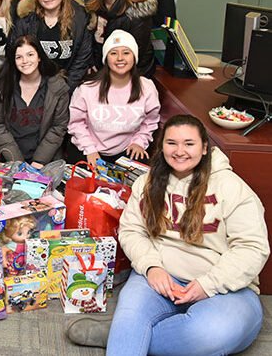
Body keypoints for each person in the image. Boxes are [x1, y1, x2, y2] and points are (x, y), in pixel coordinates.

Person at [67, 114, 270, 355]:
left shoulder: (232, 188)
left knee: (211, 333)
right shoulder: (148, 183)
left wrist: (209, 284)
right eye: (171, 143)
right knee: (131, 310)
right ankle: (128, 331)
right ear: (162, 146)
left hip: (225, 288)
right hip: (159, 277)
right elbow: (132, 231)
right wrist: (152, 267)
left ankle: (121, 334)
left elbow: (252, 248)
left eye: (189, 143)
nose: (179, 151)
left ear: (204, 148)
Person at [67, 30, 160, 168]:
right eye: (114, 53)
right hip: (89, 148)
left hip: (126, 149)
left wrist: (139, 142)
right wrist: (90, 149)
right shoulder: (86, 89)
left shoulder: (147, 88)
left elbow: (150, 121)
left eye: (126, 53)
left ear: (134, 57)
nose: (120, 58)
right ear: (106, 58)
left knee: (140, 179)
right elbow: (76, 124)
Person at [0, 35, 70, 168]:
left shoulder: (57, 87)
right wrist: (17, 163)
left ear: (39, 57)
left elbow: (59, 126)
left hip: (46, 160)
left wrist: (39, 161)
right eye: (18, 57)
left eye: (30, 54)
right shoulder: (1, 87)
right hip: (8, 158)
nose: (24, 61)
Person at [13, 0, 92, 91]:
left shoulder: (80, 20)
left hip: (68, 87)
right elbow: (16, 56)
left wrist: (65, 89)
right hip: (32, 87)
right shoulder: (26, 22)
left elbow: (81, 60)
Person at [85, 0, 157, 78]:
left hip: (133, 74)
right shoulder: (93, 3)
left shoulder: (137, 13)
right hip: (101, 69)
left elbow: (134, 56)